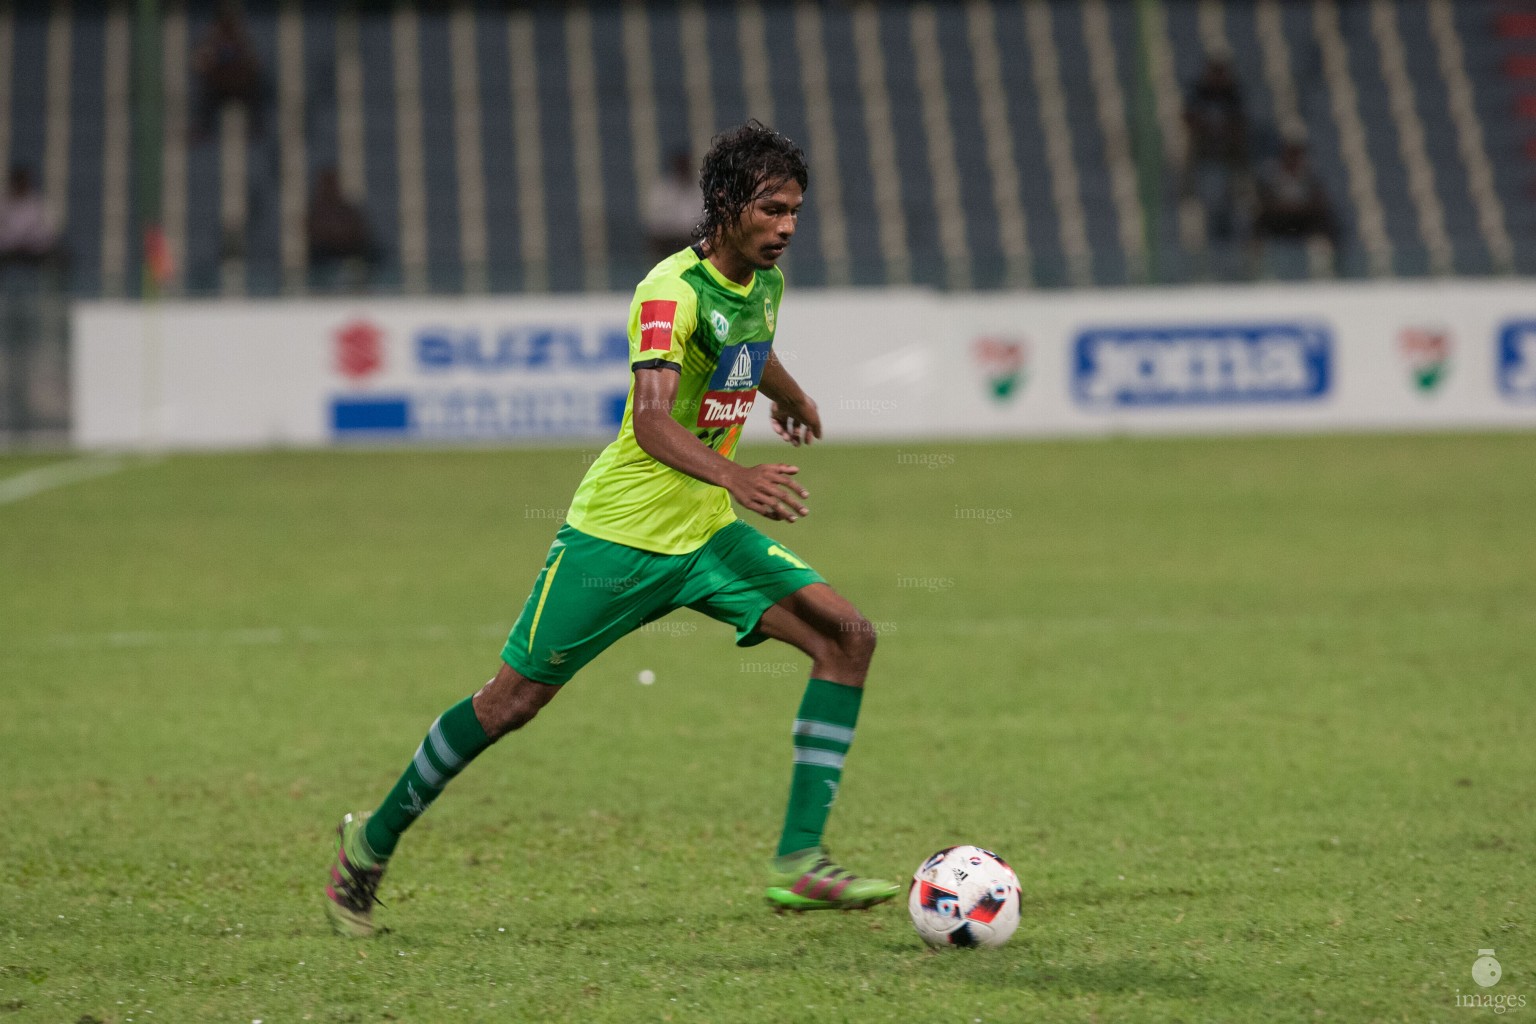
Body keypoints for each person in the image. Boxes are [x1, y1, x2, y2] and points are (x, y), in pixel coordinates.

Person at [324, 121, 900, 938]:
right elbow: (653, 422)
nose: (787, 227)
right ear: (729, 204)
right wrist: (737, 475)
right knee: (510, 703)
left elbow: (748, 345)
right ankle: (369, 847)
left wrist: (790, 394)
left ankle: (800, 864)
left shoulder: (767, 283)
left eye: (796, 212)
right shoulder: (667, 292)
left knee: (849, 636)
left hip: (703, 538)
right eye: (773, 210)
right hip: (617, 540)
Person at [1182, 55, 1250, 247]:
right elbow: (1189, 120)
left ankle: (1226, 237)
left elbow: (1240, 126)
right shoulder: (1198, 93)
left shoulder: (1233, 95)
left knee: (1233, 202)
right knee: (1205, 200)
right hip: (1204, 156)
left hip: (1228, 157)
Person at [1252, 138, 1339, 255]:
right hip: (1278, 220)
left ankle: (1328, 263)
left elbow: (1319, 202)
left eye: (1297, 156)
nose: (1294, 160)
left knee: (1326, 222)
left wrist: (1298, 208)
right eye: (1290, 155)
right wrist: (1288, 208)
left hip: (1303, 220)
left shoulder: (1310, 177)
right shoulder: (1270, 176)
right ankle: (1255, 262)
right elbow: (1265, 202)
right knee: (1258, 223)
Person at [192, 2, 264, 140]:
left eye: (231, 18)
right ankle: (202, 131)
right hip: (217, 87)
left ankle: (256, 130)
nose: (228, 22)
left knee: (255, 93)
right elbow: (198, 63)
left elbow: (255, 64)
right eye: (225, 18)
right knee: (205, 96)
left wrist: (243, 67)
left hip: (240, 86)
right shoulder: (212, 38)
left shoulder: (242, 37)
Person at [306, 167, 380, 290]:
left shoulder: (347, 209)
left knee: (370, 256)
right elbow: (315, 235)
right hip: (324, 255)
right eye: (327, 183)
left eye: (333, 182)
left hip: (349, 251)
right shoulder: (315, 212)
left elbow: (359, 231)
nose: (330, 187)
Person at [644, 149, 704, 263]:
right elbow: (654, 223)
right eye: (681, 166)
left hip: (695, 240)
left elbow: (704, 219)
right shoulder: (662, 190)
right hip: (668, 242)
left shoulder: (701, 190)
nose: (683, 170)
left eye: (686, 166)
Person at [0, 165, 61, 269]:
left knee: (60, 257)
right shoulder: (3, 203)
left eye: (23, 182)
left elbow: (49, 231)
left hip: (34, 250)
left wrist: (29, 241)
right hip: (7, 249)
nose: (20, 185)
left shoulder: (38, 203)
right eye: (18, 182)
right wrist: (14, 242)